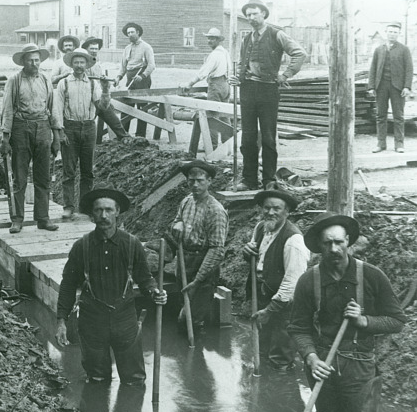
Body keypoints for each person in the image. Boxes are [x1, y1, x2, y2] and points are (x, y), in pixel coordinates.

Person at [288, 212, 406, 412]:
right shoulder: (308, 281)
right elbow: (298, 328)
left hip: (360, 366)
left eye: (339, 242)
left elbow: (397, 321)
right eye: (327, 243)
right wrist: (311, 359)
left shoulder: (372, 276)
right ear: (319, 246)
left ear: (348, 242)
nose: (334, 249)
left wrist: (364, 321)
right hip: (322, 364)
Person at [56, 187, 167, 385]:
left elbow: (145, 278)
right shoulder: (81, 247)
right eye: (98, 210)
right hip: (92, 320)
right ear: (92, 214)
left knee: (134, 381)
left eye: (108, 210)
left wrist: (154, 292)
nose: (104, 215)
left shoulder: (132, 244)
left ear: (117, 212)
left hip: (124, 319)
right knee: (97, 380)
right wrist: (61, 320)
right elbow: (68, 285)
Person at [228, 0, 306, 191]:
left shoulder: (276, 34)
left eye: (254, 13)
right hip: (247, 91)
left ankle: (269, 180)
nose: (250, 18)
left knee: (268, 138)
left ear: (263, 13)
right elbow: (244, 63)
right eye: (247, 15)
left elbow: (300, 53)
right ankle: (249, 180)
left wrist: (285, 75)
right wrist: (238, 78)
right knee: (247, 138)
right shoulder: (247, 39)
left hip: (268, 90)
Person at [242, 189, 310, 370]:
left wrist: (270, 310)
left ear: (287, 212)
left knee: (280, 357)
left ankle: (282, 390)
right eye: (266, 208)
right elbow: (257, 258)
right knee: (262, 350)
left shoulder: (294, 240)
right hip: (264, 296)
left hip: (285, 306)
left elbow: (292, 283)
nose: (270, 212)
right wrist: (247, 252)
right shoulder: (260, 228)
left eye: (276, 209)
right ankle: (263, 391)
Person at [0, 43, 60, 233]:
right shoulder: (14, 81)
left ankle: (43, 218)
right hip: (20, 128)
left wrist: (56, 135)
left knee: (43, 177)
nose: (34, 63)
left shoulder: (45, 79)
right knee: (20, 177)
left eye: (37, 60)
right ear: (23, 62)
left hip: (42, 128)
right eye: (30, 60)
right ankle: (17, 219)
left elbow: (53, 108)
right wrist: (5, 137)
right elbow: (7, 109)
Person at [53, 48, 111, 220]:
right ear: (71, 64)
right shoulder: (64, 83)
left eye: (82, 62)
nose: (79, 66)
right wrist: (60, 131)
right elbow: (57, 109)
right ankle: (68, 207)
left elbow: (102, 107)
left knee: (87, 172)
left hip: (88, 128)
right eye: (76, 62)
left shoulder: (92, 84)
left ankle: (85, 208)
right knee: (69, 171)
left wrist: (106, 90)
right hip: (69, 128)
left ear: (87, 65)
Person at [171, 160, 228, 329]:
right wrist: (177, 224)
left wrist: (197, 280)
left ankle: (196, 351)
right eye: (191, 180)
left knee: (192, 319)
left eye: (200, 180)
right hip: (184, 262)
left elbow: (217, 250)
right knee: (185, 308)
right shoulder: (186, 202)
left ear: (209, 181)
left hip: (203, 266)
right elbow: (175, 223)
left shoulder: (215, 210)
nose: (195, 185)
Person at [368, 21, 413, 154]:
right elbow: (373, 69)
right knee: (380, 115)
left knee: (398, 116)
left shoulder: (404, 49)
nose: (392, 34)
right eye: (390, 31)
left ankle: (399, 144)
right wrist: (371, 86)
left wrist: (407, 86)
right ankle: (381, 144)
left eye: (395, 32)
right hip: (381, 86)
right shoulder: (379, 49)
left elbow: (409, 69)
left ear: (399, 34)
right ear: (385, 33)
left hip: (398, 87)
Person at [183, 27, 232, 145]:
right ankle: (228, 144)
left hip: (216, 86)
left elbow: (203, 72)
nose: (209, 41)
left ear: (218, 40)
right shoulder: (225, 52)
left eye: (212, 39)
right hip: (226, 85)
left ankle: (212, 146)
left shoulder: (215, 54)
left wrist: (189, 84)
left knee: (212, 116)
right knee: (225, 115)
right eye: (208, 38)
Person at [82, 36, 129, 143]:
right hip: (86, 100)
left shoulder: (97, 64)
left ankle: (124, 137)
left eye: (96, 49)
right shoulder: (82, 63)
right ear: (86, 49)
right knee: (86, 124)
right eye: (92, 49)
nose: (94, 51)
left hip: (98, 98)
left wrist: (107, 82)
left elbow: (101, 81)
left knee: (111, 116)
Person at [114, 22, 156, 137]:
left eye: (132, 32)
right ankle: (123, 134)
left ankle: (140, 136)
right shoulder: (127, 48)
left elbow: (152, 65)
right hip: (130, 79)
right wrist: (118, 77)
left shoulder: (146, 47)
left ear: (138, 32)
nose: (130, 35)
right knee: (126, 106)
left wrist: (142, 76)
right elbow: (123, 66)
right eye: (128, 33)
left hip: (142, 79)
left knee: (142, 107)